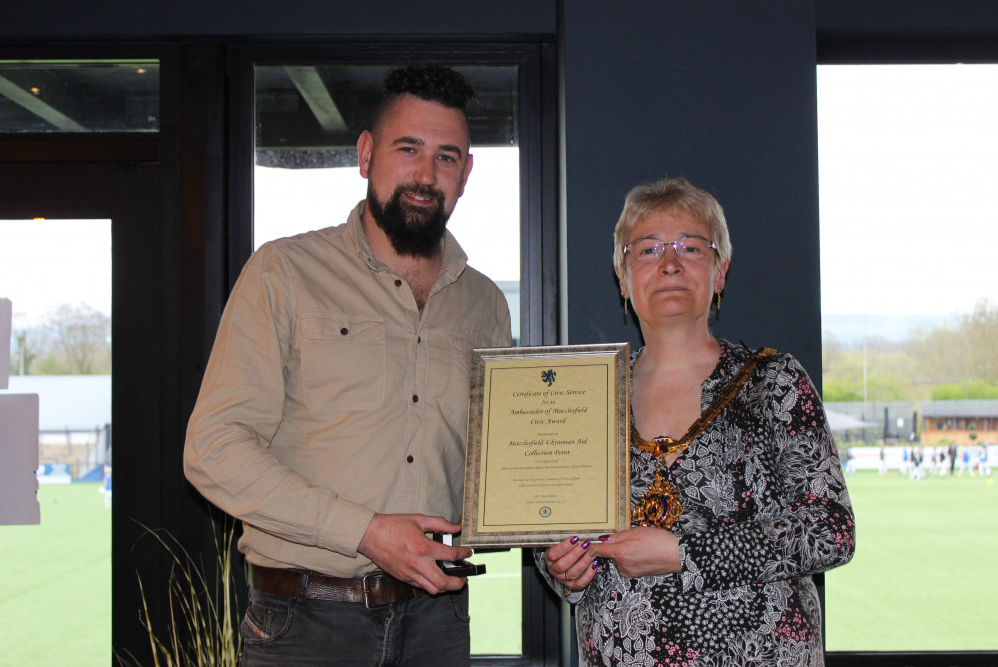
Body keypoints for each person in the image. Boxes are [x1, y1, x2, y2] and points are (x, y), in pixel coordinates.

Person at [184, 63, 512, 666]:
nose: (424, 174)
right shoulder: (283, 273)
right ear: (366, 154)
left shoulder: (484, 304)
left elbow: (497, 460)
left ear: (466, 174)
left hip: (437, 622)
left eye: (446, 157)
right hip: (304, 626)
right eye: (407, 148)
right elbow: (214, 449)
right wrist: (364, 531)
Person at [536, 177, 855, 666]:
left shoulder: (774, 383)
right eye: (647, 250)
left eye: (690, 246)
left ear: (720, 271)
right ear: (622, 277)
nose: (669, 263)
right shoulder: (584, 395)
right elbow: (551, 525)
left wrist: (686, 553)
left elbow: (831, 531)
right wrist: (562, 566)